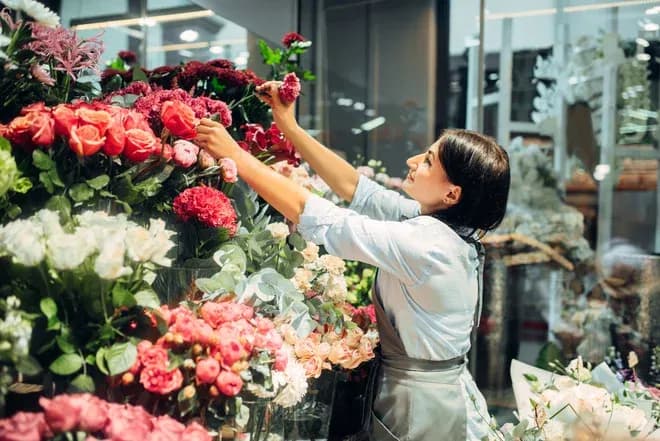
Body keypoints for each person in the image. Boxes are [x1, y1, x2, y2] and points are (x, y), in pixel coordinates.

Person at [195, 81, 510, 441]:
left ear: (452, 193)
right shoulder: (449, 227)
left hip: (423, 405)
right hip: (437, 388)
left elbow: (319, 217)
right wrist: (291, 128)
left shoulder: (428, 244)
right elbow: (356, 189)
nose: (412, 161)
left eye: (427, 161)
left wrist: (236, 156)